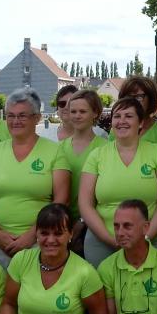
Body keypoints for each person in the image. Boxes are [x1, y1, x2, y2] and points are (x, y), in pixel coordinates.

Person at [0, 89, 69, 267]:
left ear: (37, 118)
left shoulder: (55, 152)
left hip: (42, 243)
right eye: (11, 116)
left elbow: (61, 201)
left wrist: (32, 235)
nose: (16, 121)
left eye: (23, 116)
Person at [78, 96, 157, 268]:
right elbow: (85, 204)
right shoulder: (97, 155)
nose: (121, 121)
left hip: (152, 240)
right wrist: (109, 239)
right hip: (103, 242)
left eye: (129, 116)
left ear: (141, 123)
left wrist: (144, 239)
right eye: (117, 116)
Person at [53, 90, 106, 228]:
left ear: (95, 113)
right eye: (73, 111)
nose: (77, 116)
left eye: (82, 112)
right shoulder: (59, 148)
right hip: (62, 221)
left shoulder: (105, 148)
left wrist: (83, 221)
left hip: (95, 221)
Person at [121, 75, 157, 144]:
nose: (133, 101)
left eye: (139, 97)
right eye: (129, 97)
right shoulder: (117, 130)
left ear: (151, 99)